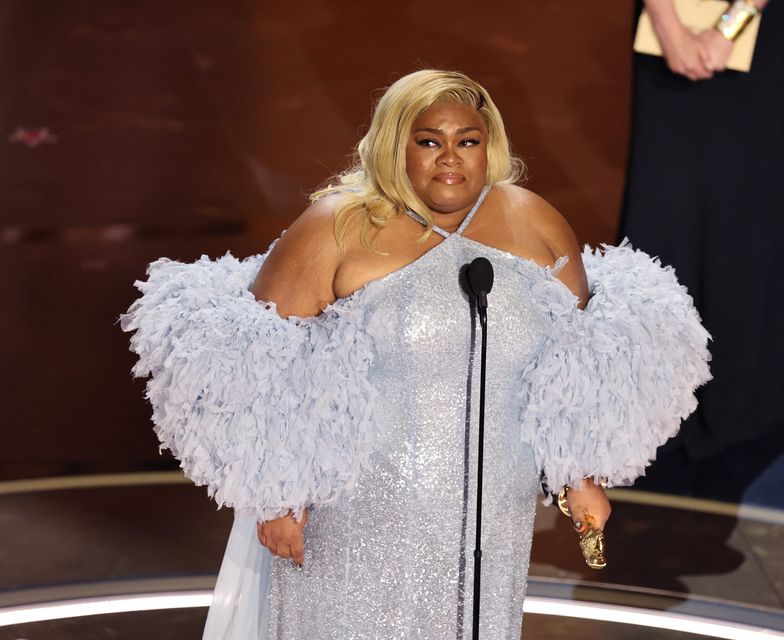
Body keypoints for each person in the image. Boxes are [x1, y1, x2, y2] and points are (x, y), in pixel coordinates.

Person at [122, 69, 711, 640]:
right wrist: (276, 496)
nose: (449, 157)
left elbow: (573, 360)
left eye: (468, 141)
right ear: (394, 147)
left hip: (491, 510)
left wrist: (578, 475)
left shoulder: (533, 221)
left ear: (490, 147)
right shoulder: (336, 228)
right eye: (428, 141)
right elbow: (257, 369)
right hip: (358, 511)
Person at [620, 0, 784, 474]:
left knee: (742, 204)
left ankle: (742, 399)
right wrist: (669, 26)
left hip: (754, 27)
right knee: (663, 202)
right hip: (665, 23)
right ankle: (651, 402)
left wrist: (731, 25)